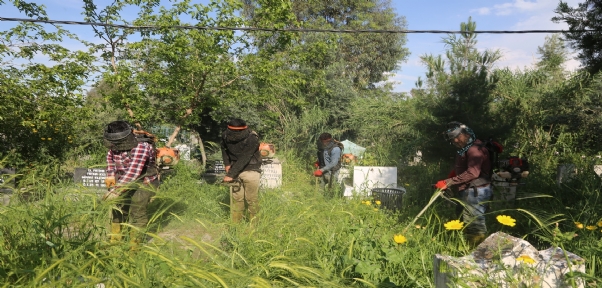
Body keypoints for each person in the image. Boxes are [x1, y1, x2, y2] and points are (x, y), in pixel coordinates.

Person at [434, 122, 493, 245]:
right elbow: (466, 167)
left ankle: (477, 251)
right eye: (452, 139)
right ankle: (466, 246)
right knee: (464, 219)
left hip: (475, 191)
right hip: (468, 190)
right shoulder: (466, 148)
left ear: (466, 134)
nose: (455, 140)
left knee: (475, 223)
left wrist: (448, 182)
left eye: (458, 136)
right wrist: (454, 174)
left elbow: (472, 173)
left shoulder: (474, 150)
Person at [103, 120, 159, 247]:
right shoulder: (114, 144)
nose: (114, 145)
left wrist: (115, 191)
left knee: (137, 209)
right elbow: (110, 160)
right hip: (123, 179)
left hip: (144, 181)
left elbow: (133, 172)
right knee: (117, 209)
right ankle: (115, 241)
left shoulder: (141, 146)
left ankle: (135, 245)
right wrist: (111, 176)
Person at [220, 119, 262, 223]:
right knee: (237, 199)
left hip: (251, 170)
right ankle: (236, 225)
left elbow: (245, 157)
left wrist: (231, 174)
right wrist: (227, 164)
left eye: (238, 132)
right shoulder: (225, 135)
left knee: (252, 200)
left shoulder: (252, 138)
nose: (236, 134)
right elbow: (224, 149)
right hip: (234, 170)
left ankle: (254, 225)